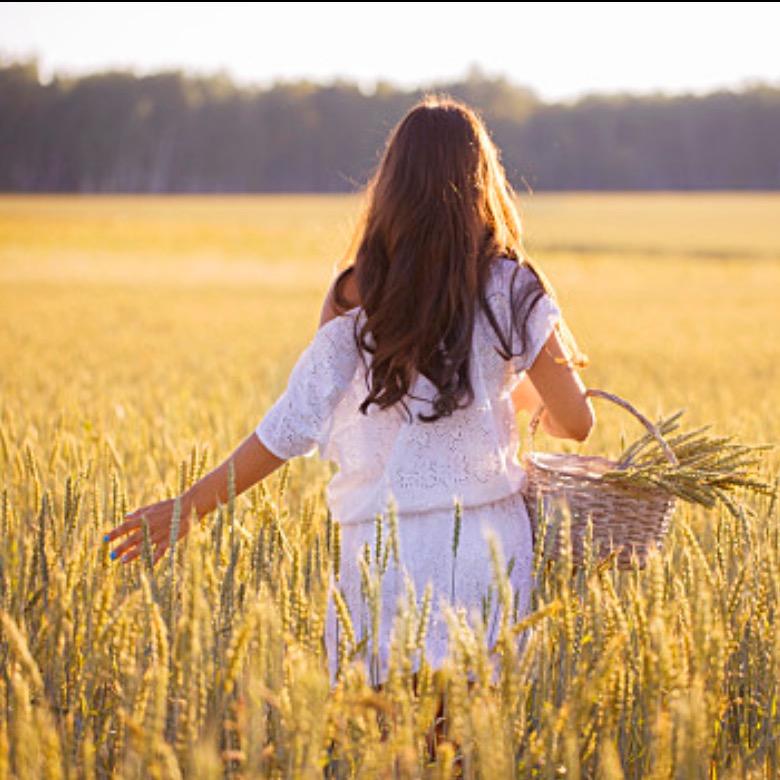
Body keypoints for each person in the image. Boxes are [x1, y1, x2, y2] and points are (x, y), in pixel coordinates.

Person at [102, 92, 594, 721]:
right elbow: (577, 422)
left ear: (392, 186)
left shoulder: (358, 290)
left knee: (388, 748)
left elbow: (292, 423)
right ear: (483, 182)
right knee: (468, 749)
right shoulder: (514, 285)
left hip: (382, 557)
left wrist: (188, 506)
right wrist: (523, 395)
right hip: (485, 553)